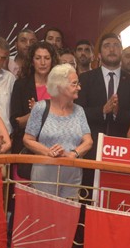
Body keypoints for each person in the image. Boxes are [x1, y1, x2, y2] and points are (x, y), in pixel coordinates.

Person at [23, 64, 92, 199]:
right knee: (44, 211)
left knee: (69, 212)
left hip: (72, 177)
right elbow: (27, 139)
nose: (79, 87)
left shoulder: (79, 111)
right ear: (60, 86)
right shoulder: (40, 108)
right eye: (74, 84)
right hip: (44, 174)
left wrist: (73, 154)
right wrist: (48, 152)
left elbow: (88, 141)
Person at [76, 33, 130, 156]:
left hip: (121, 149)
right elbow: (78, 112)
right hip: (90, 147)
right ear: (99, 55)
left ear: (121, 52)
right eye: (107, 46)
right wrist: (102, 110)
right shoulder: (85, 79)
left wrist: (117, 112)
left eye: (116, 45)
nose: (112, 49)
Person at [10, 41, 55, 153]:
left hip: (54, 146)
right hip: (26, 147)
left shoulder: (59, 86)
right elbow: (16, 123)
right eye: (38, 58)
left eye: (47, 58)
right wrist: (35, 113)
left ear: (52, 61)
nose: (43, 62)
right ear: (32, 61)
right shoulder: (21, 85)